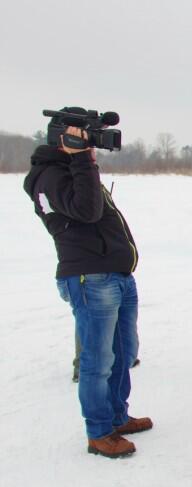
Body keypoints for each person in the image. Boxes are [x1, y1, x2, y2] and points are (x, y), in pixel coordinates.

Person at [23, 108, 152, 458]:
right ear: (62, 139)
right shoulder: (47, 176)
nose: (91, 148)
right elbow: (87, 211)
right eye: (84, 141)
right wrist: (83, 161)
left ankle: (116, 416)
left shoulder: (71, 171)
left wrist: (81, 161)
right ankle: (99, 432)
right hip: (90, 278)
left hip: (114, 276)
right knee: (97, 359)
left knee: (124, 352)